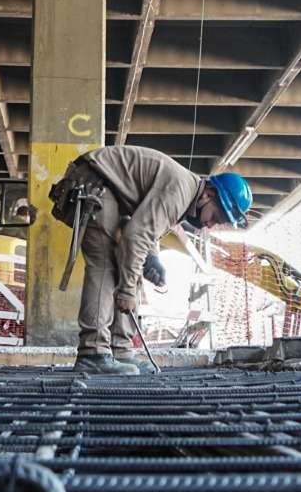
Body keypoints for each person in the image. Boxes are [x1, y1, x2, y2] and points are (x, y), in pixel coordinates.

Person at [62, 145, 252, 375]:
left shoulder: (185, 194)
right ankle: (93, 353)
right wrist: (127, 292)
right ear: (209, 195)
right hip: (96, 182)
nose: (211, 225)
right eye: (216, 216)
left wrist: (152, 258)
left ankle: (120, 350)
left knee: (135, 263)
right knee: (107, 266)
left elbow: (145, 224)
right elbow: (135, 237)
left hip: (109, 190)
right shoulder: (181, 191)